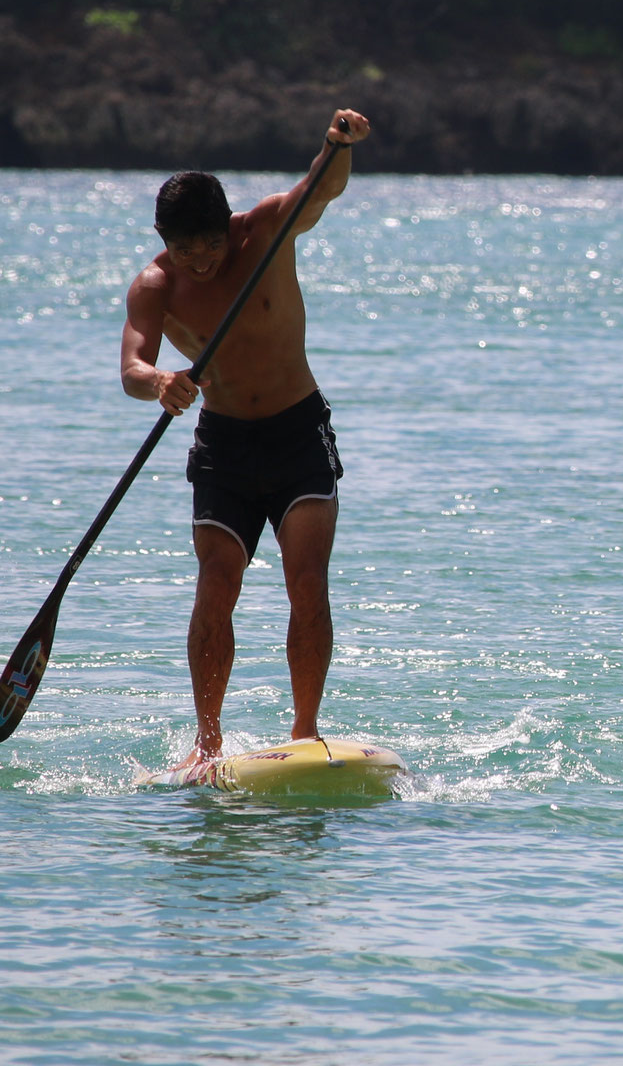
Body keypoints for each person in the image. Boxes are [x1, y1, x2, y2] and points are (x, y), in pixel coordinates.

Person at [119, 108, 370, 763]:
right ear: (163, 242)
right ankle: (207, 744)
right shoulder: (156, 284)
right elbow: (133, 366)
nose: (200, 261)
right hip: (223, 446)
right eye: (184, 249)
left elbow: (319, 187)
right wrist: (160, 383)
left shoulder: (265, 232)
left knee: (306, 579)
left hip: (297, 432)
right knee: (216, 585)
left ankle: (304, 731)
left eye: (210, 244)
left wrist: (335, 144)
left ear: (227, 227)